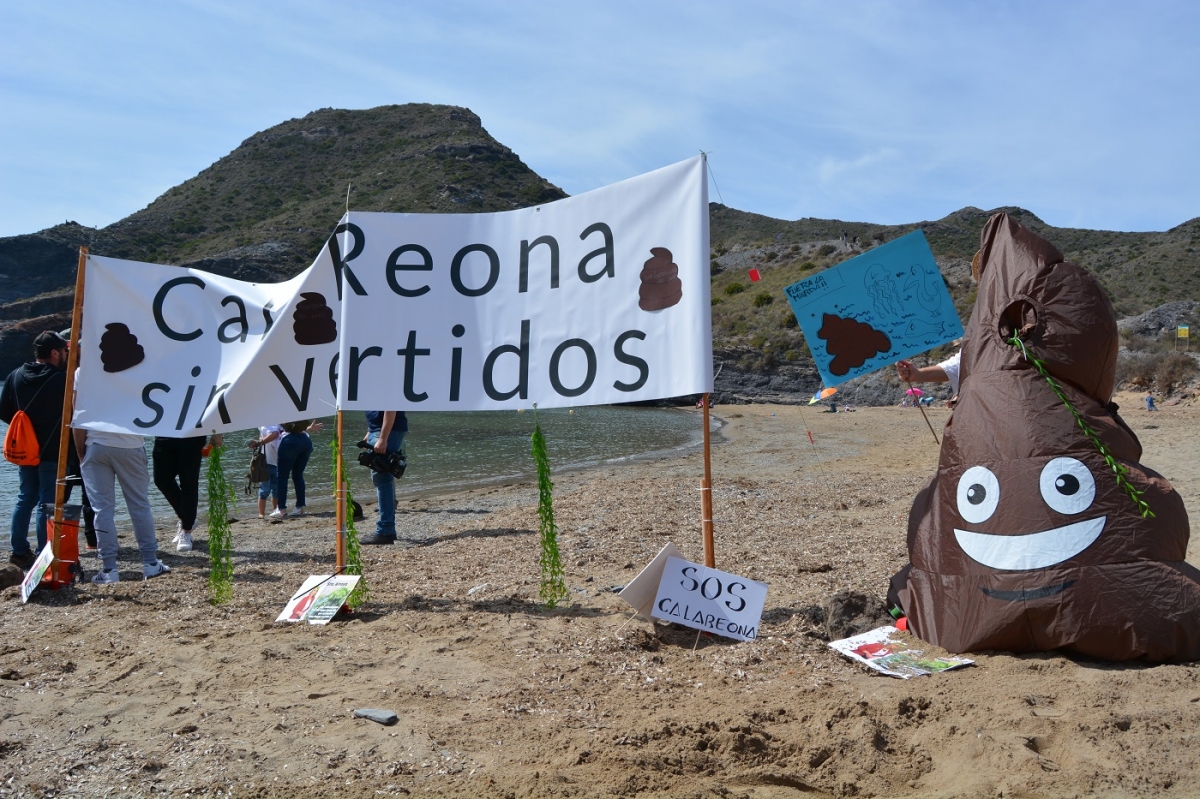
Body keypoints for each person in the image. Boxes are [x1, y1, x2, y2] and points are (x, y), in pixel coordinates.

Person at [72, 406, 168, 585]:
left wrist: (80, 452)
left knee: (102, 509)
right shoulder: (137, 375)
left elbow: (79, 413)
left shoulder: (83, 376)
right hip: (130, 445)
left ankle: (109, 569)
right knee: (139, 504)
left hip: (96, 445)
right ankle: (150, 562)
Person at [1, 331, 71, 570]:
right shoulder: (62, 380)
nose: (66, 355)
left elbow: (5, 412)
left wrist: (26, 430)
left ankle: (19, 552)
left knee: (24, 498)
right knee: (46, 504)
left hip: (25, 450)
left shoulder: (14, 376)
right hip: (51, 451)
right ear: (54, 353)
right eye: (64, 351)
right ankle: (44, 555)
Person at [153, 432, 222, 552]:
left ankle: (186, 530)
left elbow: (212, 411)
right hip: (165, 431)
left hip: (192, 432)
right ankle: (188, 518)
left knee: (188, 482)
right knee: (161, 480)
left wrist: (217, 432)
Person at [359, 410, 407, 545]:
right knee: (383, 476)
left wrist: (382, 438)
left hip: (387, 431)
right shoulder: (374, 389)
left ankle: (385, 530)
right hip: (380, 430)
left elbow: (390, 408)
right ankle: (386, 529)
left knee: (382, 478)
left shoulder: (383, 388)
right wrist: (370, 432)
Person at [270, 419, 322, 519]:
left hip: (289, 441)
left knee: (282, 477)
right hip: (305, 439)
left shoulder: (283, 413)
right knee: (298, 475)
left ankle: (281, 509)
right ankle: (300, 507)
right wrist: (309, 429)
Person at [248, 424, 283, 518]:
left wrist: (259, 441)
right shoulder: (265, 424)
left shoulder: (280, 424)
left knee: (276, 490)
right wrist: (259, 442)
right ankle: (261, 514)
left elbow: (274, 434)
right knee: (264, 490)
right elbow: (274, 434)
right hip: (266, 463)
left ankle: (276, 511)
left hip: (278, 462)